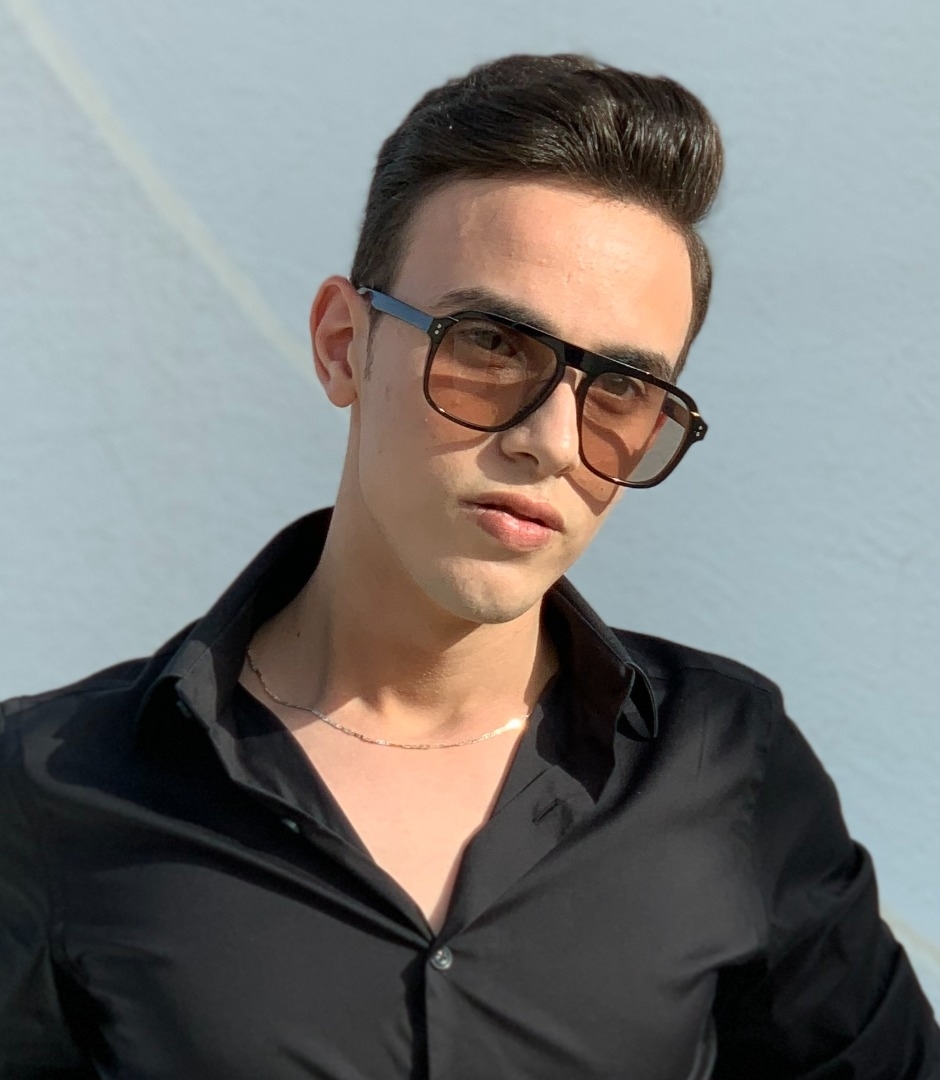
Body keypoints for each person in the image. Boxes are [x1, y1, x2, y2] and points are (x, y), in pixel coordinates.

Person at [1, 53, 937, 1080]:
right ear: (343, 344)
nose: (552, 441)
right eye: (490, 344)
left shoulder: (727, 767)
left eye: (621, 391)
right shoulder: (50, 790)